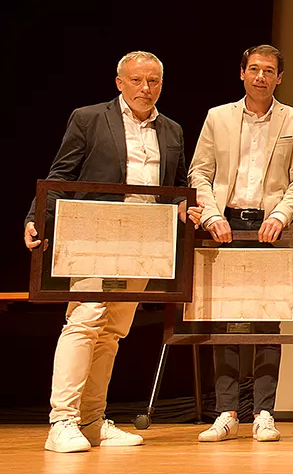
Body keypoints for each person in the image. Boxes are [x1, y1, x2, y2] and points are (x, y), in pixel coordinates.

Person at [23, 51, 200, 453]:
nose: (146, 89)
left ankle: (90, 421)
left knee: (113, 331)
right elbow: (61, 175)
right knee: (85, 320)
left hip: (145, 243)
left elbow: (176, 186)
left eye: (153, 81)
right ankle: (61, 421)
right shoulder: (88, 118)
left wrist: (186, 209)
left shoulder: (171, 130)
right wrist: (35, 218)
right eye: (137, 81)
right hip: (95, 236)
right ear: (119, 82)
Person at [189, 45, 293, 443]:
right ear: (241, 72)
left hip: (268, 225)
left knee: (267, 321)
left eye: (269, 70)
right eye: (254, 69)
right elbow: (200, 173)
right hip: (223, 223)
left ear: (280, 78)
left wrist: (280, 215)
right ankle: (225, 412)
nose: (261, 76)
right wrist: (209, 215)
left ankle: (264, 412)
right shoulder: (217, 117)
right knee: (224, 320)